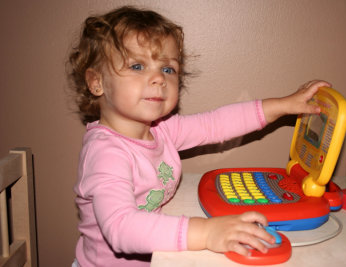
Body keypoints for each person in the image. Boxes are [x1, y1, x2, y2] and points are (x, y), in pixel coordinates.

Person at [67, 5, 330, 267]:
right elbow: (122, 228)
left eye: (168, 69)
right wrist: (207, 232)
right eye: (138, 66)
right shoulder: (105, 152)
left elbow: (215, 124)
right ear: (96, 82)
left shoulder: (161, 129)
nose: (158, 77)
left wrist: (284, 105)